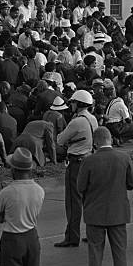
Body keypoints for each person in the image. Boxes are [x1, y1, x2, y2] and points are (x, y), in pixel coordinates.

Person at [78, 127, 133, 266]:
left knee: (95, 255)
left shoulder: (88, 161)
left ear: (95, 142)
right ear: (110, 139)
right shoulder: (124, 158)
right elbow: (132, 183)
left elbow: (80, 187)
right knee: (120, 254)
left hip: (94, 214)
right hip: (118, 213)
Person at [0, 147, 44, 266]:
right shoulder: (39, 190)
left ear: (14, 170)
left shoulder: (7, 192)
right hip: (32, 238)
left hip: (12, 239)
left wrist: (4, 216)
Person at [54, 90, 98, 247]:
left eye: (72, 102)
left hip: (77, 163)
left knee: (74, 202)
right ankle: (93, 233)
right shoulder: (92, 119)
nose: (71, 105)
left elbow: (60, 140)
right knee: (89, 200)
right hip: (90, 160)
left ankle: (72, 237)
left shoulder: (77, 121)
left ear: (78, 104)